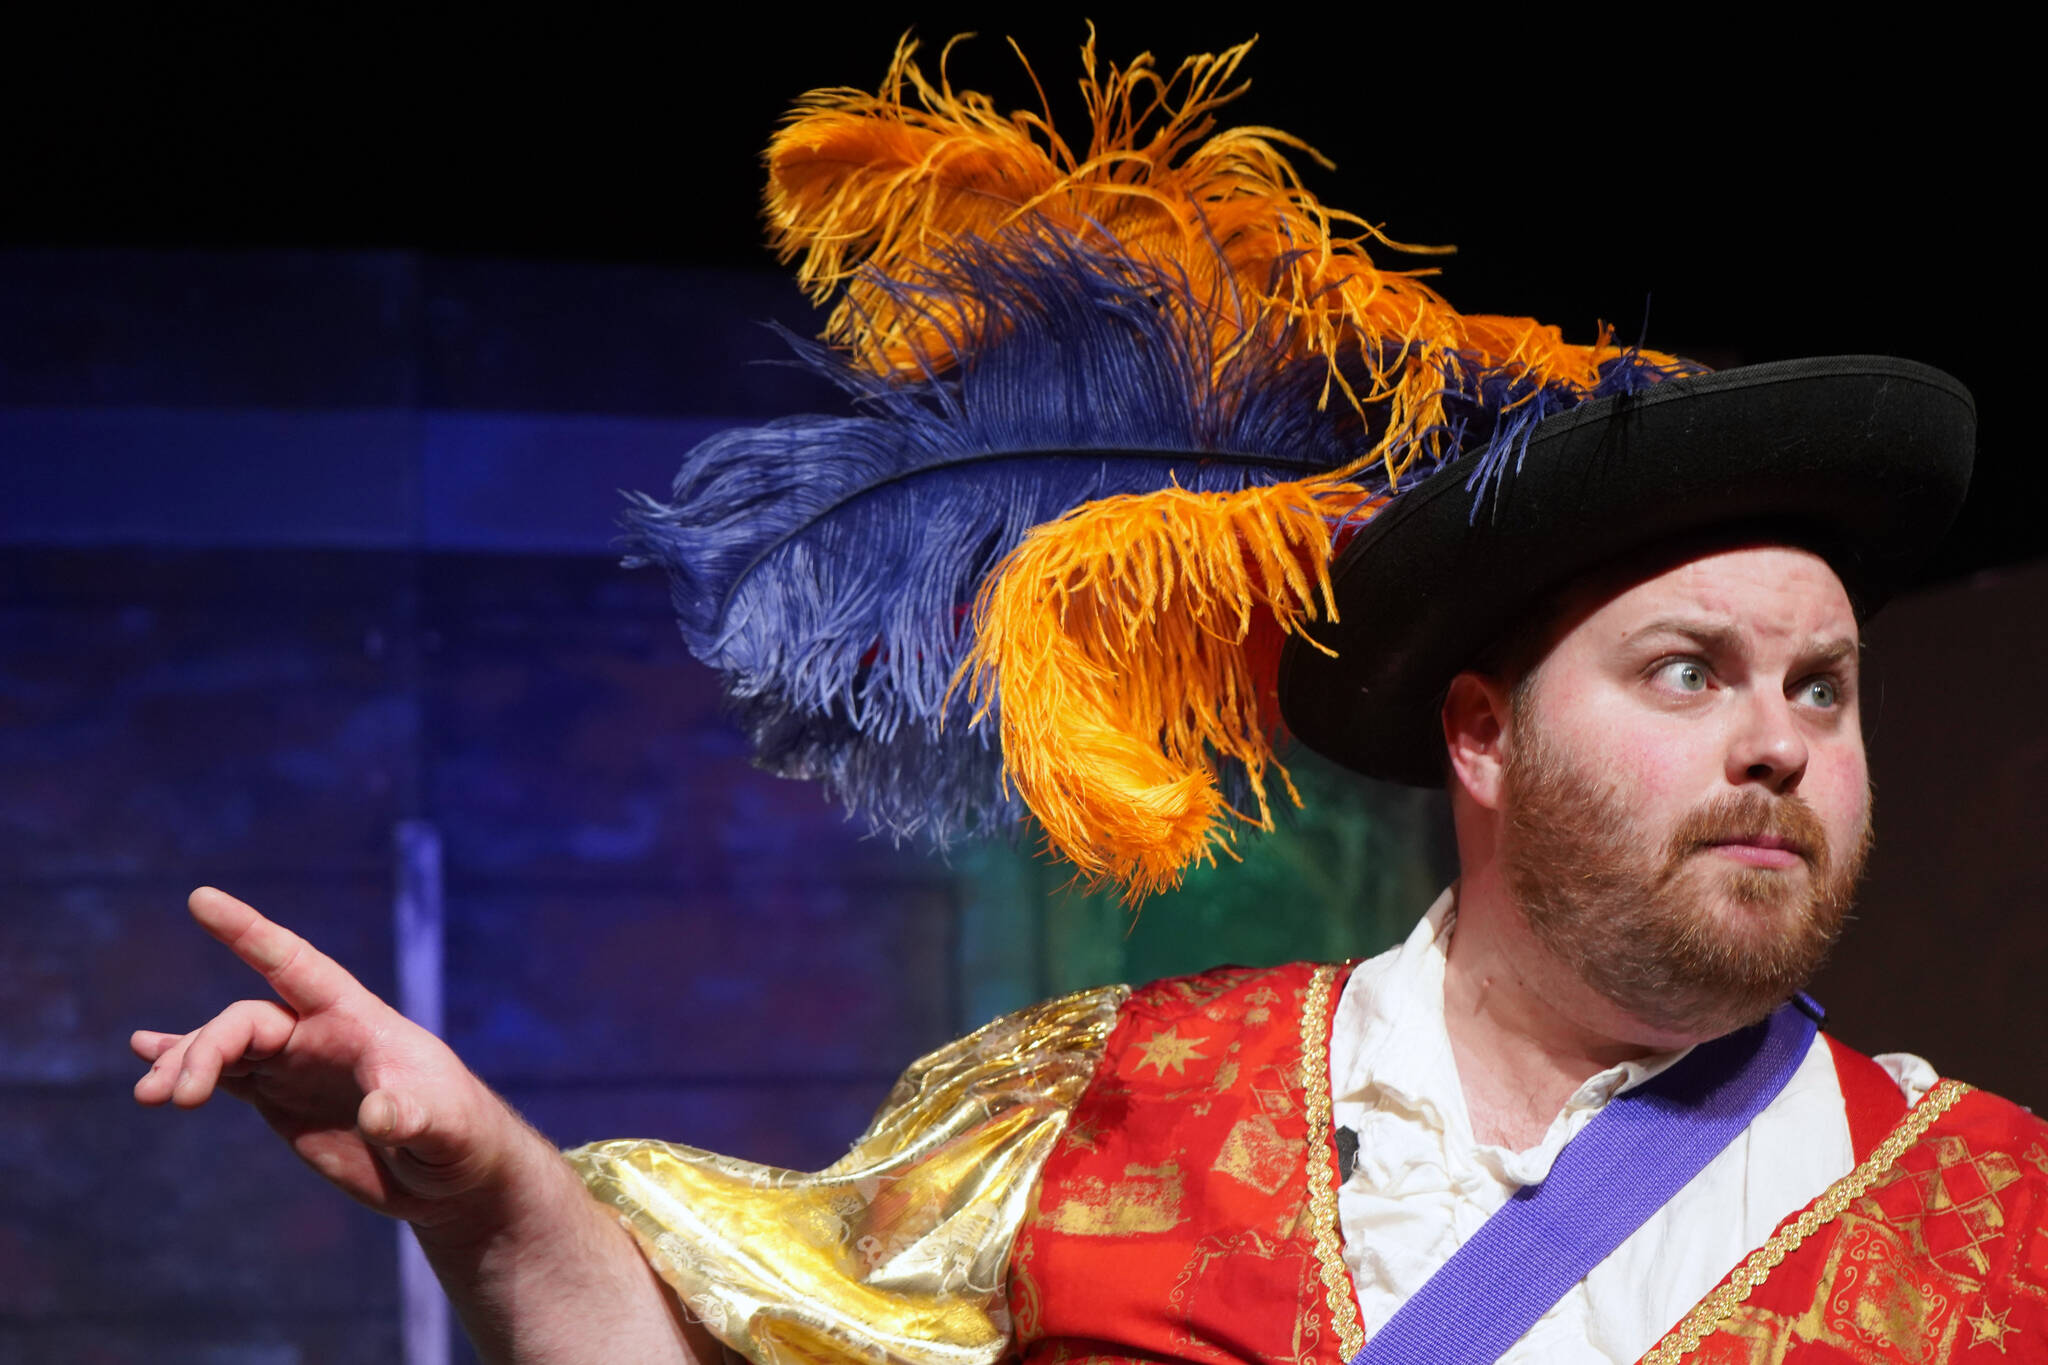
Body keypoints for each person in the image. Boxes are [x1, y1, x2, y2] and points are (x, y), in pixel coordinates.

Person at [133, 35, 2044, 1365]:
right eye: (1688, 671)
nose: (1780, 739)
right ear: (1480, 734)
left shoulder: (2007, 1223)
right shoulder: (1112, 1103)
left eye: (1823, 685)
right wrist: (485, 1186)